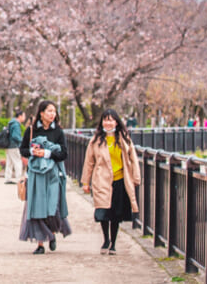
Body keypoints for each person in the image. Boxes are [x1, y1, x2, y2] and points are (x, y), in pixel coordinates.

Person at [80, 108, 141, 255]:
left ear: (116, 122)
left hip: (119, 180)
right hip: (102, 180)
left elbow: (133, 159)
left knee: (116, 213)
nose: (108, 123)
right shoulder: (95, 140)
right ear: (102, 122)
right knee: (103, 211)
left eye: (111, 120)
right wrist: (85, 182)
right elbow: (89, 162)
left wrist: (136, 178)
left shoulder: (124, 139)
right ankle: (106, 239)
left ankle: (113, 243)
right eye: (105, 120)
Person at [19, 100, 71, 254]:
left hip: (53, 175)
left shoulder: (58, 132)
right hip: (36, 175)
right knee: (37, 207)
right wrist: (33, 152)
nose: (52, 114)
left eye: (54, 111)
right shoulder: (31, 130)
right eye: (49, 111)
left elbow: (64, 154)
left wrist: (47, 153)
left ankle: (52, 233)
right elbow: (22, 150)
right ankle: (40, 244)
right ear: (41, 113)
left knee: (52, 207)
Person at [4, 109, 26, 184]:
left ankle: (7, 178)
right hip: (14, 146)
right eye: (24, 116)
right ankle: (19, 179)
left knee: (9, 162)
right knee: (18, 162)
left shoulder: (11, 123)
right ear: (20, 116)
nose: (24, 117)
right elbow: (15, 136)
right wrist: (22, 140)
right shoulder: (16, 124)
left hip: (8, 145)